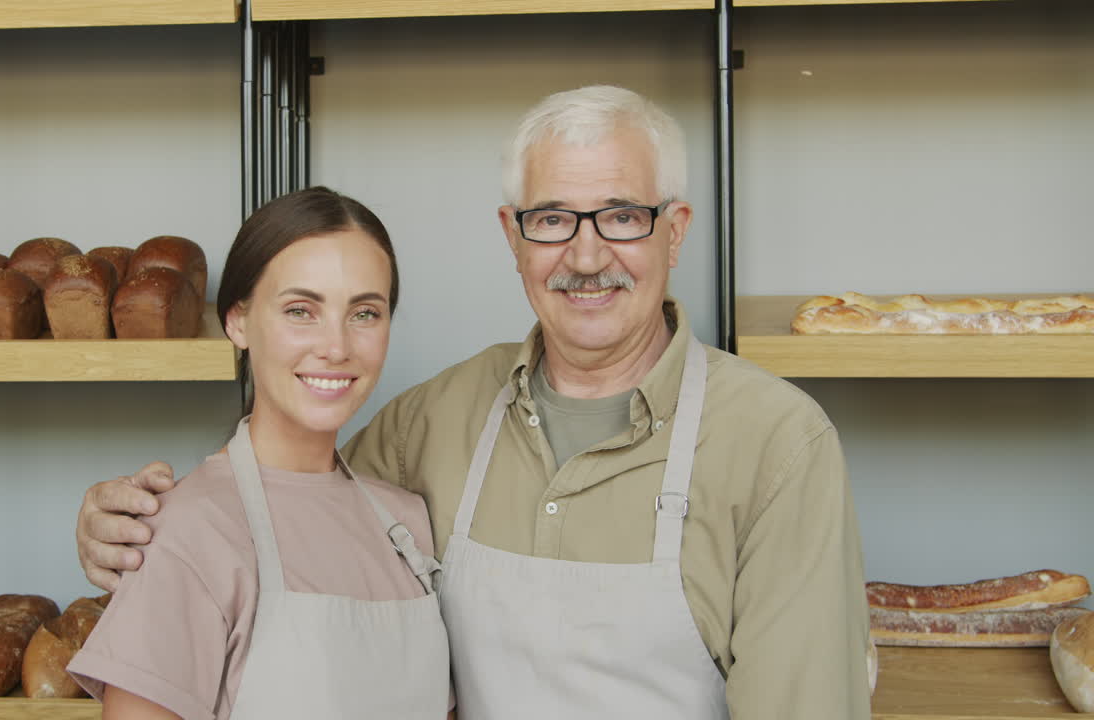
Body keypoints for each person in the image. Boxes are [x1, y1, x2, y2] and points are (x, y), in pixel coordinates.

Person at [76, 85, 871, 719]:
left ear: (675, 231)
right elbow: (284, 507)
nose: (587, 256)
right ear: (512, 237)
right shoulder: (438, 418)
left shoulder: (775, 444)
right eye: (553, 219)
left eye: (623, 217)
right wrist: (129, 530)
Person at [66, 187, 452, 720]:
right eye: (301, 309)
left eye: (365, 313)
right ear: (238, 321)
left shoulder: (407, 529)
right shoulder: (186, 533)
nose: (336, 346)